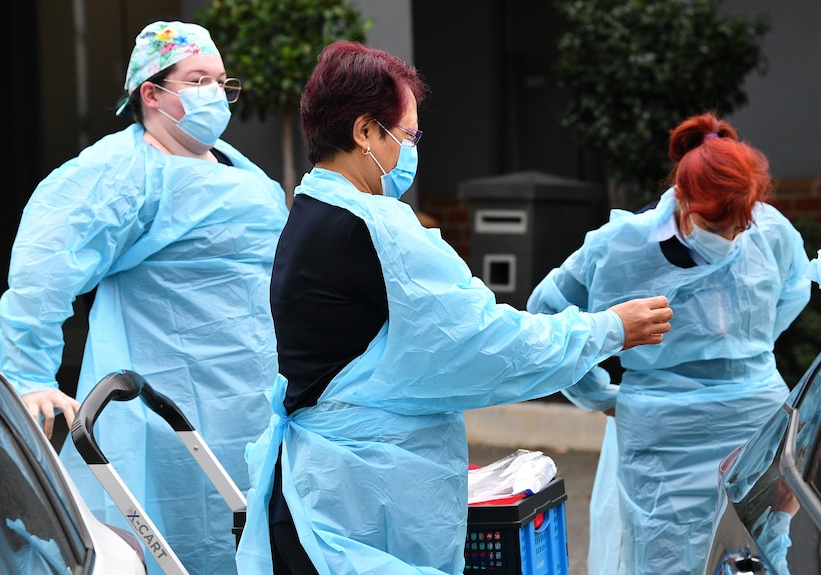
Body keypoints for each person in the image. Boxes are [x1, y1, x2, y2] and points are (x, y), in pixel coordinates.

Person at [234, 40, 673, 575]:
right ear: (366, 131)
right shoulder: (380, 228)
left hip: (324, 488)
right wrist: (608, 330)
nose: (413, 149)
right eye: (408, 134)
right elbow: (488, 344)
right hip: (363, 504)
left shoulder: (308, 208)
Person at [0, 21, 288, 574]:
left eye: (222, 82)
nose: (216, 95)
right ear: (151, 93)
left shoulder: (237, 168)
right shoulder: (119, 173)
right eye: (198, 79)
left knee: (252, 536)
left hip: (253, 400)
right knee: (160, 541)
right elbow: (42, 272)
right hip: (160, 407)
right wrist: (29, 376)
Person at [527, 112, 811, 575]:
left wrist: (750, 347)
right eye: (718, 227)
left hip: (756, 421)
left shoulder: (770, 228)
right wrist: (597, 395)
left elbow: (795, 287)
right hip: (665, 435)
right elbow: (548, 312)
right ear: (682, 200)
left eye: (740, 228)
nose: (732, 237)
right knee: (667, 556)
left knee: (769, 547)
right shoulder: (621, 245)